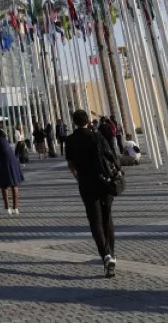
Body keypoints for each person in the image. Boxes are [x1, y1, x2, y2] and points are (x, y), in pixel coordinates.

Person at [66, 109, 119, 277]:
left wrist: (78, 176)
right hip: (104, 180)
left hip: (86, 182)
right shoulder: (96, 136)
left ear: (74, 122)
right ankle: (111, 253)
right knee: (107, 217)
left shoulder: (70, 140)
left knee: (95, 219)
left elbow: (71, 164)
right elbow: (110, 156)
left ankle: (105, 255)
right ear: (88, 120)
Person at [0, 126, 23, 215]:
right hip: (13, 161)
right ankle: (16, 208)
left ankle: (7, 208)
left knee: (4, 186)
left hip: (5, 163)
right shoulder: (3, 139)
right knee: (14, 185)